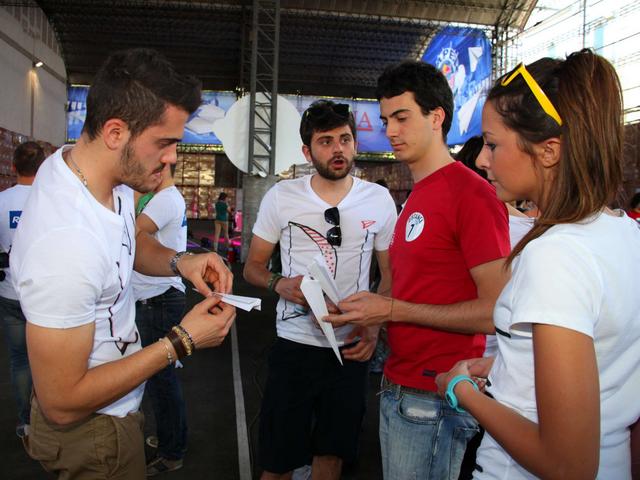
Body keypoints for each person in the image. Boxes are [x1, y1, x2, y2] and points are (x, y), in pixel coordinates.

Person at [10, 48, 235, 479]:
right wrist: (182, 340)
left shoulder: (94, 175)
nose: (172, 159)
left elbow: (128, 249)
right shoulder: (66, 242)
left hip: (111, 414)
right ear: (115, 132)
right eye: (165, 143)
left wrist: (181, 261)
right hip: (93, 435)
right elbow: (60, 403)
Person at [436, 50, 640, 479]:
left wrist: (462, 392)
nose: (481, 160)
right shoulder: (624, 234)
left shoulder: (555, 255)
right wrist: (511, 366)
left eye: (492, 144)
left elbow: (567, 464)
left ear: (548, 151)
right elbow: (603, 358)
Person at [325, 61, 511, 480]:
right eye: (386, 118)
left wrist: (390, 311)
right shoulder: (417, 194)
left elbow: (496, 311)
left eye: (402, 117)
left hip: (436, 395)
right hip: (402, 385)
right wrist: (375, 323)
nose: (389, 130)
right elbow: (416, 287)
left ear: (436, 117)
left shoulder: (472, 195)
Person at [243, 100, 397, 480]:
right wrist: (281, 284)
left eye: (344, 139)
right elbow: (252, 267)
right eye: (326, 141)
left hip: (349, 352)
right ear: (307, 151)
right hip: (294, 346)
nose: (338, 149)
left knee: (331, 458)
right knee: (277, 463)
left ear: (355, 145)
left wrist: (374, 326)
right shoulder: (282, 197)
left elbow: (389, 275)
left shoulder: (377, 200)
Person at [132, 162, 189, 475]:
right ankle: (171, 438)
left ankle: (172, 450)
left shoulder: (165, 199)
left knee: (161, 380)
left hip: (158, 299)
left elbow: (130, 232)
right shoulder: (161, 197)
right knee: (160, 380)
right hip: (155, 297)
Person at [0, 141, 44, 438]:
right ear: (42, 168)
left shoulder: (2, 201)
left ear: (13, 167)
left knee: (19, 360)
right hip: (45, 295)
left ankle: (27, 422)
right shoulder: (52, 200)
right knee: (49, 359)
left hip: (9, 292)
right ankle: (50, 419)